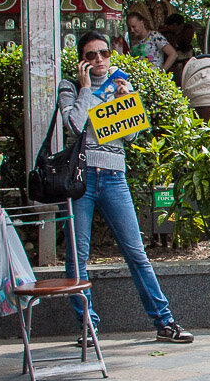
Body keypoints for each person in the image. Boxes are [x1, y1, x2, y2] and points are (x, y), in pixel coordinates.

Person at [57, 31, 194, 345]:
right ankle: (87, 326)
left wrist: (124, 101)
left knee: (137, 253)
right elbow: (75, 125)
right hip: (83, 179)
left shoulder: (121, 81)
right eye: (91, 55)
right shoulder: (71, 87)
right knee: (78, 255)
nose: (99, 61)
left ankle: (165, 321)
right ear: (81, 60)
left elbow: (131, 138)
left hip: (115, 177)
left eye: (103, 53)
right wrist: (86, 90)